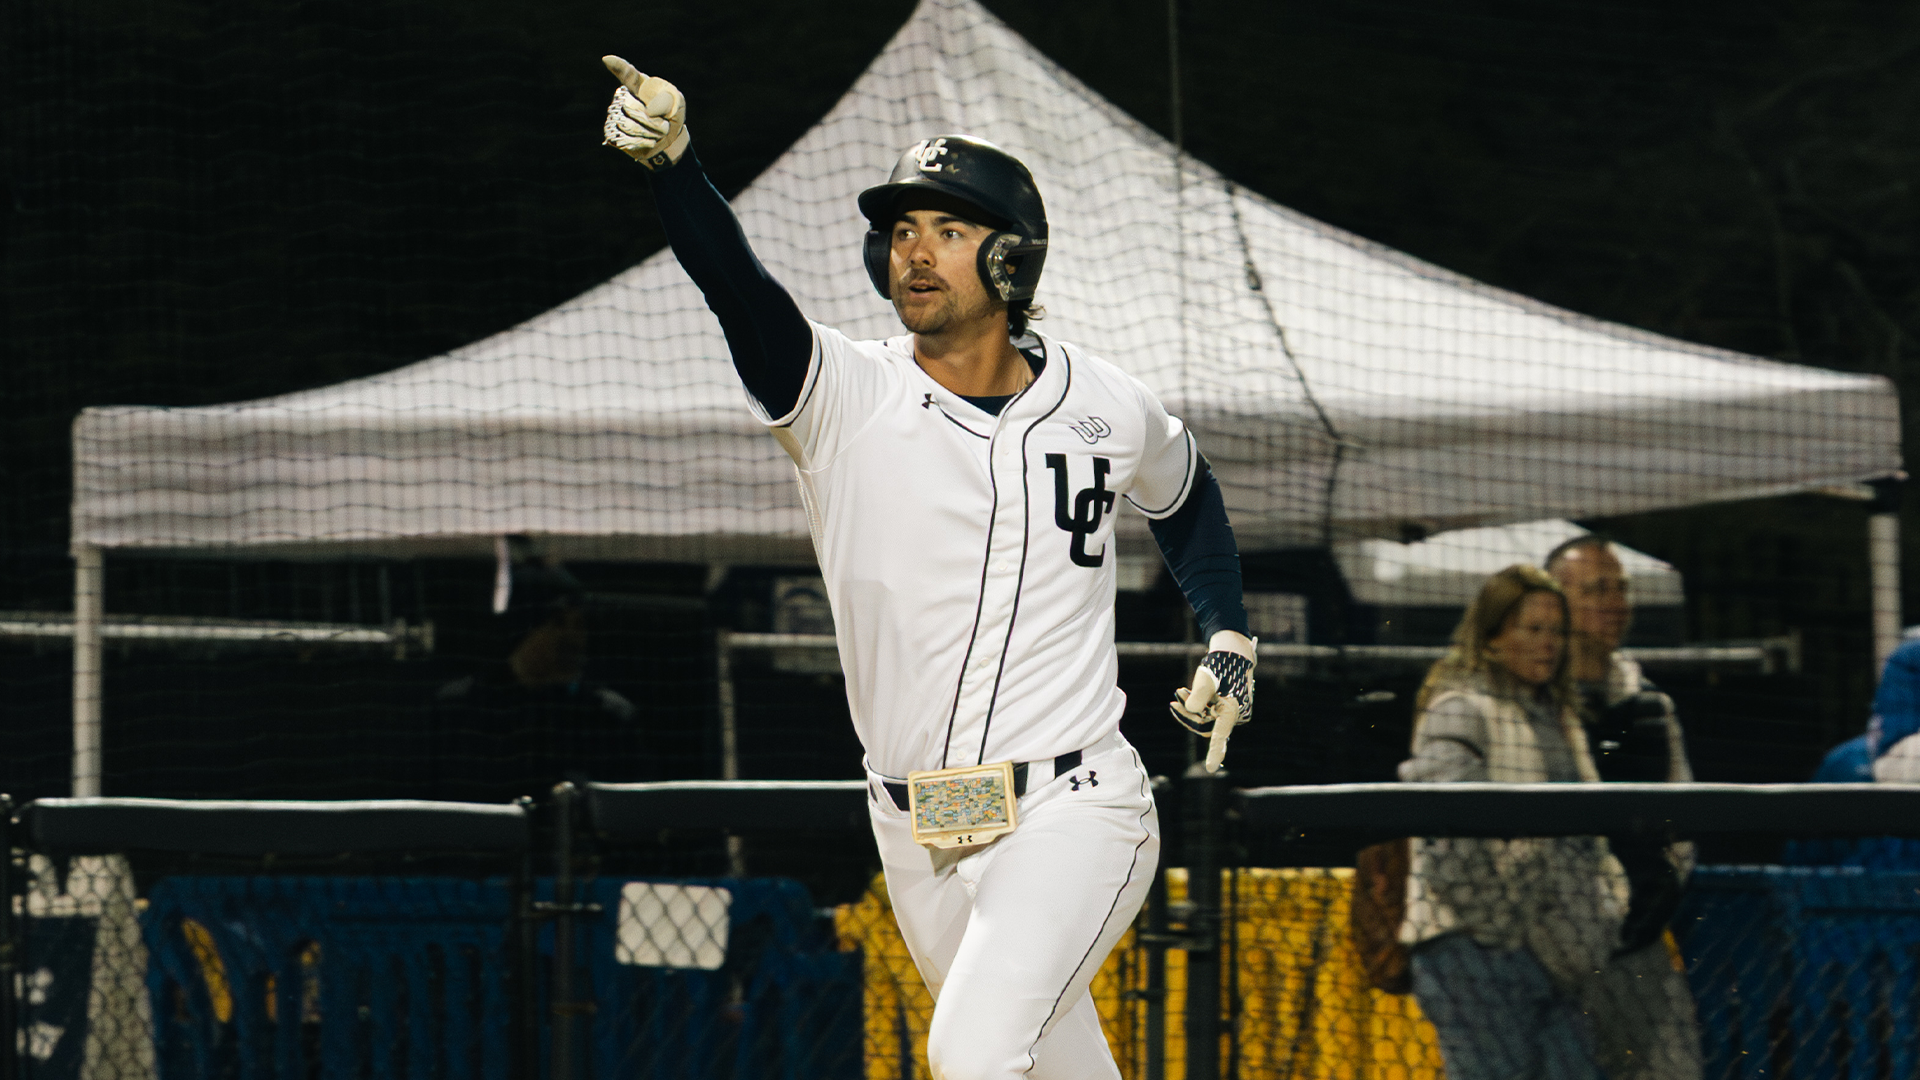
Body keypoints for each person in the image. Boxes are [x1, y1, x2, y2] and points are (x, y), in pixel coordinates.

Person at [600, 61, 1254, 1080]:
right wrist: (678, 169)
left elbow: (1188, 496)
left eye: (948, 230)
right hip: (919, 825)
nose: (917, 251)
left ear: (1011, 260)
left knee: (973, 1052)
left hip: (1074, 805)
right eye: (902, 231)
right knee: (1049, 1068)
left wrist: (1228, 627)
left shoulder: (1107, 403)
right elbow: (739, 289)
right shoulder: (841, 398)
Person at [1399, 564, 1626, 1080]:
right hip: (1476, 952)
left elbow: (1589, 837)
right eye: (1533, 629)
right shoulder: (1461, 708)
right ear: (1495, 633)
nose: (1549, 644)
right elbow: (1446, 832)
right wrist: (1499, 929)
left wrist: (1600, 912)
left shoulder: (1560, 716)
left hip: (1554, 954)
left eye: (1558, 631)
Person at [1546, 535, 1703, 1080]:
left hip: (1636, 947)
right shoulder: (1527, 702)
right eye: (1596, 590)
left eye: (1620, 589)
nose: (1615, 603)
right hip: (1549, 953)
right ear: (1555, 602)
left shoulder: (1652, 706)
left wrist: (1657, 893)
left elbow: (1682, 822)